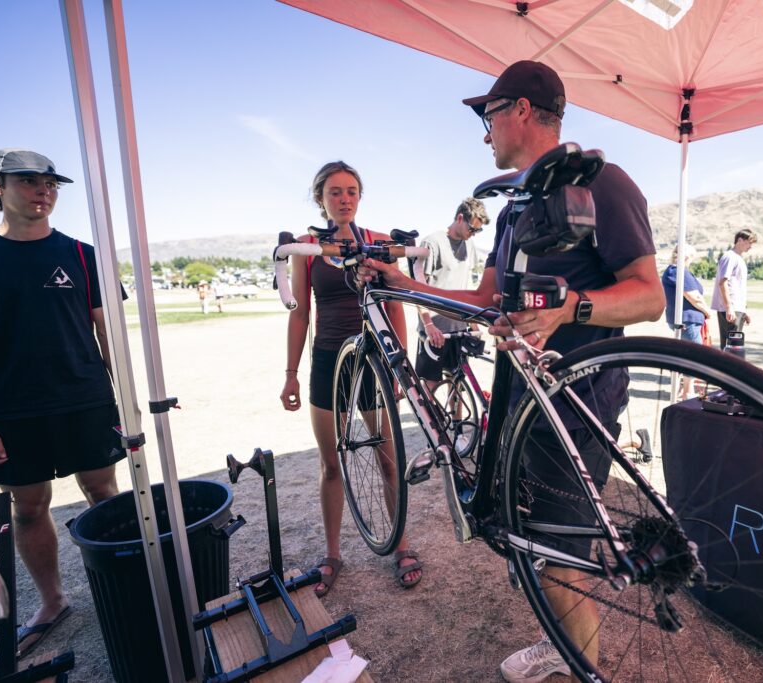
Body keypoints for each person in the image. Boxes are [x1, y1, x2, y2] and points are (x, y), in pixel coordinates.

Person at [355, 60, 664, 683]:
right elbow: (487, 299)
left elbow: (649, 295)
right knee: (537, 537)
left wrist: (570, 309)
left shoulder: (602, 183)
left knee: (562, 557)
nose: (484, 132)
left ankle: (579, 664)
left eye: (488, 115)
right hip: (522, 398)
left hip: (577, 397)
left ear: (521, 110)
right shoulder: (515, 207)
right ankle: (562, 641)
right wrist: (403, 284)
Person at [0, 149, 126, 657]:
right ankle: (53, 602)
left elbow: (111, 338)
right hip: (12, 408)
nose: (44, 191)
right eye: (29, 181)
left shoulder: (82, 254)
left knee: (104, 493)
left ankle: (127, 586)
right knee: (29, 507)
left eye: (51, 183)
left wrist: (126, 401)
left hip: (84, 399)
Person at [279, 161, 422, 596]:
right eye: (335, 192)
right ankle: (332, 553)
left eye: (352, 191)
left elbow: (394, 307)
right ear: (320, 198)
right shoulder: (307, 247)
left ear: (360, 197)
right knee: (331, 463)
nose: (344, 199)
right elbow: (300, 313)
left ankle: (401, 545)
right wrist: (291, 375)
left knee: (388, 458)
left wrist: (399, 365)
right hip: (328, 360)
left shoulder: (377, 242)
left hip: (374, 360)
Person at [414, 197, 489, 394]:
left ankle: (455, 417)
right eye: (472, 229)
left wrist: (474, 323)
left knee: (458, 386)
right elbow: (419, 288)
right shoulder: (432, 243)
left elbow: (467, 285)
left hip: (459, 329)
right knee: (430, 387)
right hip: (434, 331)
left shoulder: (469, 246)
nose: (473, 234)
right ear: (460, 218)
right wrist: (428, 325)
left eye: (478, 231)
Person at [661, 243, 712, 399]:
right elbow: (694, 297)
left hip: (686, 319)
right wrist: (707, 311)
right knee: (694, 356)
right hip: (687, 320)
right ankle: (687, 392)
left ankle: (683, 389)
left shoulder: (676, 271)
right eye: (692, 258)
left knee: (687, 354)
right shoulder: (677, 271)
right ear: (687, 257)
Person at [711, 229, 757, 348]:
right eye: (749, 242)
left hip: (736, 307)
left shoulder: (738, 258)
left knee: (735, 346)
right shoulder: (729, 257)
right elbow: (723, 283)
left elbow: (737, 286)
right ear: (740, 240)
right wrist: (729, 307)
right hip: (731, 308)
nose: (750, 246)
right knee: (730, 346)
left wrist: (743, 310)